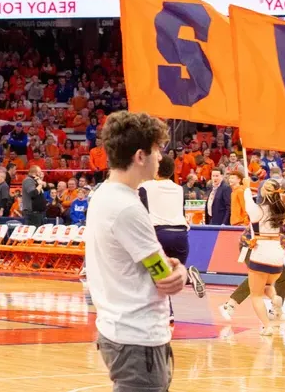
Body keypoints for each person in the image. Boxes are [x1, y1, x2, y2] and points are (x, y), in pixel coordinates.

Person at [85, 112, 187, 392]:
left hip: (119, 330)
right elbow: (165, 277)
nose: (161, 158)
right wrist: (182, 271)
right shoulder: (127, 207)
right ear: (140, 156)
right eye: (157, 150)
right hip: (138, 337)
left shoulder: (104, 195)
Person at [219, 179, 285, 323]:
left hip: (268, 249)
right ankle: (229, 305)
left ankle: (275, 311)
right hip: (251, 246)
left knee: (282, 276)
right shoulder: (267, 208)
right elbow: (284, 238)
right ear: (280, 193)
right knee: (260, 278)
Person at [139, 155, 206, 307]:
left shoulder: (147, 186)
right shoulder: (178, 189)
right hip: (181, 234)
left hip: (160, 233)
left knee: (155, 277)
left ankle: (166, 313)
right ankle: (188, 276)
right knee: (171, 277)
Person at [233, 174, 285, 335]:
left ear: (263, 193)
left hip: (261, 252)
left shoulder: (257, 210)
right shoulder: (281, 211)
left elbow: (247, 200)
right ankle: (275, 299)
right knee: (267, 286)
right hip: (278, 255)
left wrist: (246, 186)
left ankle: (267, 326)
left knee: (256, 295)